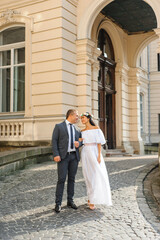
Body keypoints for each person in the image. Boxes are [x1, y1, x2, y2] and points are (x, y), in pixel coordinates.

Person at [80, 112, 112, 210]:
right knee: (88, 175)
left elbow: (99, 143)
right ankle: (90, 198)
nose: (82, 120)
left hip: (94, 152)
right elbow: (80, 142)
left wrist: (99, 155)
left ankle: (96, 198)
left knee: (96, 175)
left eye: (83, 118)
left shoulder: (96, 129)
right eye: (81, 118)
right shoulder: (82, 131)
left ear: (88, 118)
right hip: (85, 152)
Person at [52, 109, 82, 213]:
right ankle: (58, 203)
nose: (78, 118)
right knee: (61, 179)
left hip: (74, 157)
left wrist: (79, 143)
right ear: (71, 115)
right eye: (77, 116)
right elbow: (54, 141)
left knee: (72, 179)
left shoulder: (78, 129)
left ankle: (70, 201)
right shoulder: (59, 126)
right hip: (63, 157)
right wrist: (56, 154)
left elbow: (81, 141)